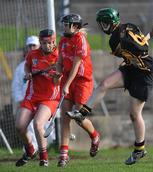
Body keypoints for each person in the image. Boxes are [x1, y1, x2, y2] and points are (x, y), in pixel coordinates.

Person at [67, 8, 153, 165]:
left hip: (143, 73)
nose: (103, 27)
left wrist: (135, 51)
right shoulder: (129, 26)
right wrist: (135, 51)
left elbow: (139, 48)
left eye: (103, 24)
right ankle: (82, 113)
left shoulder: (114, 41)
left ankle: (139, 149)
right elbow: (140, 44)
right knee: (104, 84)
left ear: (109, 23)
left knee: (135, 115)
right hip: (131, 67)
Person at [56, 13, 100, 167]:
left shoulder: (80, 40)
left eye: (66, 23)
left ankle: (95, 137)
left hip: (82, 81)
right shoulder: (62, 40)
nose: (64, 26)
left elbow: (76, 66)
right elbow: (60, 63)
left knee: (78, 116)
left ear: (74, 26)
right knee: (65, 117)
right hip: (68, 80)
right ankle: (64, 155)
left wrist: (66, 84)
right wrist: (57, 75)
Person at [15, 29, 59, 167]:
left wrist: (55, 77)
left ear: (54, 42)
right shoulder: (32, 54)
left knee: (38, 124)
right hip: (32, 96)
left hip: (49, 98)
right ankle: (30, 150)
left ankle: (44, 158)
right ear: (40, 43)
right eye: (44, 43)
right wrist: (28, 74)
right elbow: (27, 67)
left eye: (51, 43)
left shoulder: (58, 57)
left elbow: (58, 82)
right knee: (19, 127)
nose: (48, 46)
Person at [12, 35, 40, 151]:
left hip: (42, 101)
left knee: (40, 125)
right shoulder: (20, 68)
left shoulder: (43, 63)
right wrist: (19, 100)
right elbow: (16, 86)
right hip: (27, 101)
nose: (32, 48)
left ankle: (43, 148)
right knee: (27, 126)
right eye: (30, 46)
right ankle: (30, 149)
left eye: (34, 45)